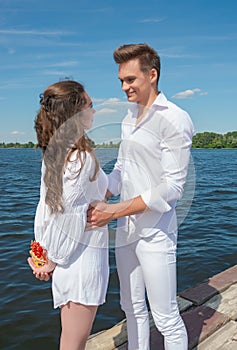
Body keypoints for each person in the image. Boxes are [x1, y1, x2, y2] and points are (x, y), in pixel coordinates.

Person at [87, 43, 194, 349]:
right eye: (121, 80)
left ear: (152, 75)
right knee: (131, 308)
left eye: (130, 79)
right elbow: (122, 167)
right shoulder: (128, 118)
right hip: (125, 232)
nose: (124, 87)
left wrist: (115, 210)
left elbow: (173, 186)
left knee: (165, 316)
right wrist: (103, 193)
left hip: (156, 233)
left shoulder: (175, 118)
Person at [27, 80, 109, 350]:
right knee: (73, 344)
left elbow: (47, 211)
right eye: (90, 105)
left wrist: (45, 254)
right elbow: (67, 216)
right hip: (80, 262)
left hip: (70, 260)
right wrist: (53, 259)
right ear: (75, 113)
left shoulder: (55, 155)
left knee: (72, 341)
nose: (94, 111)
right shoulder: (81, 159)